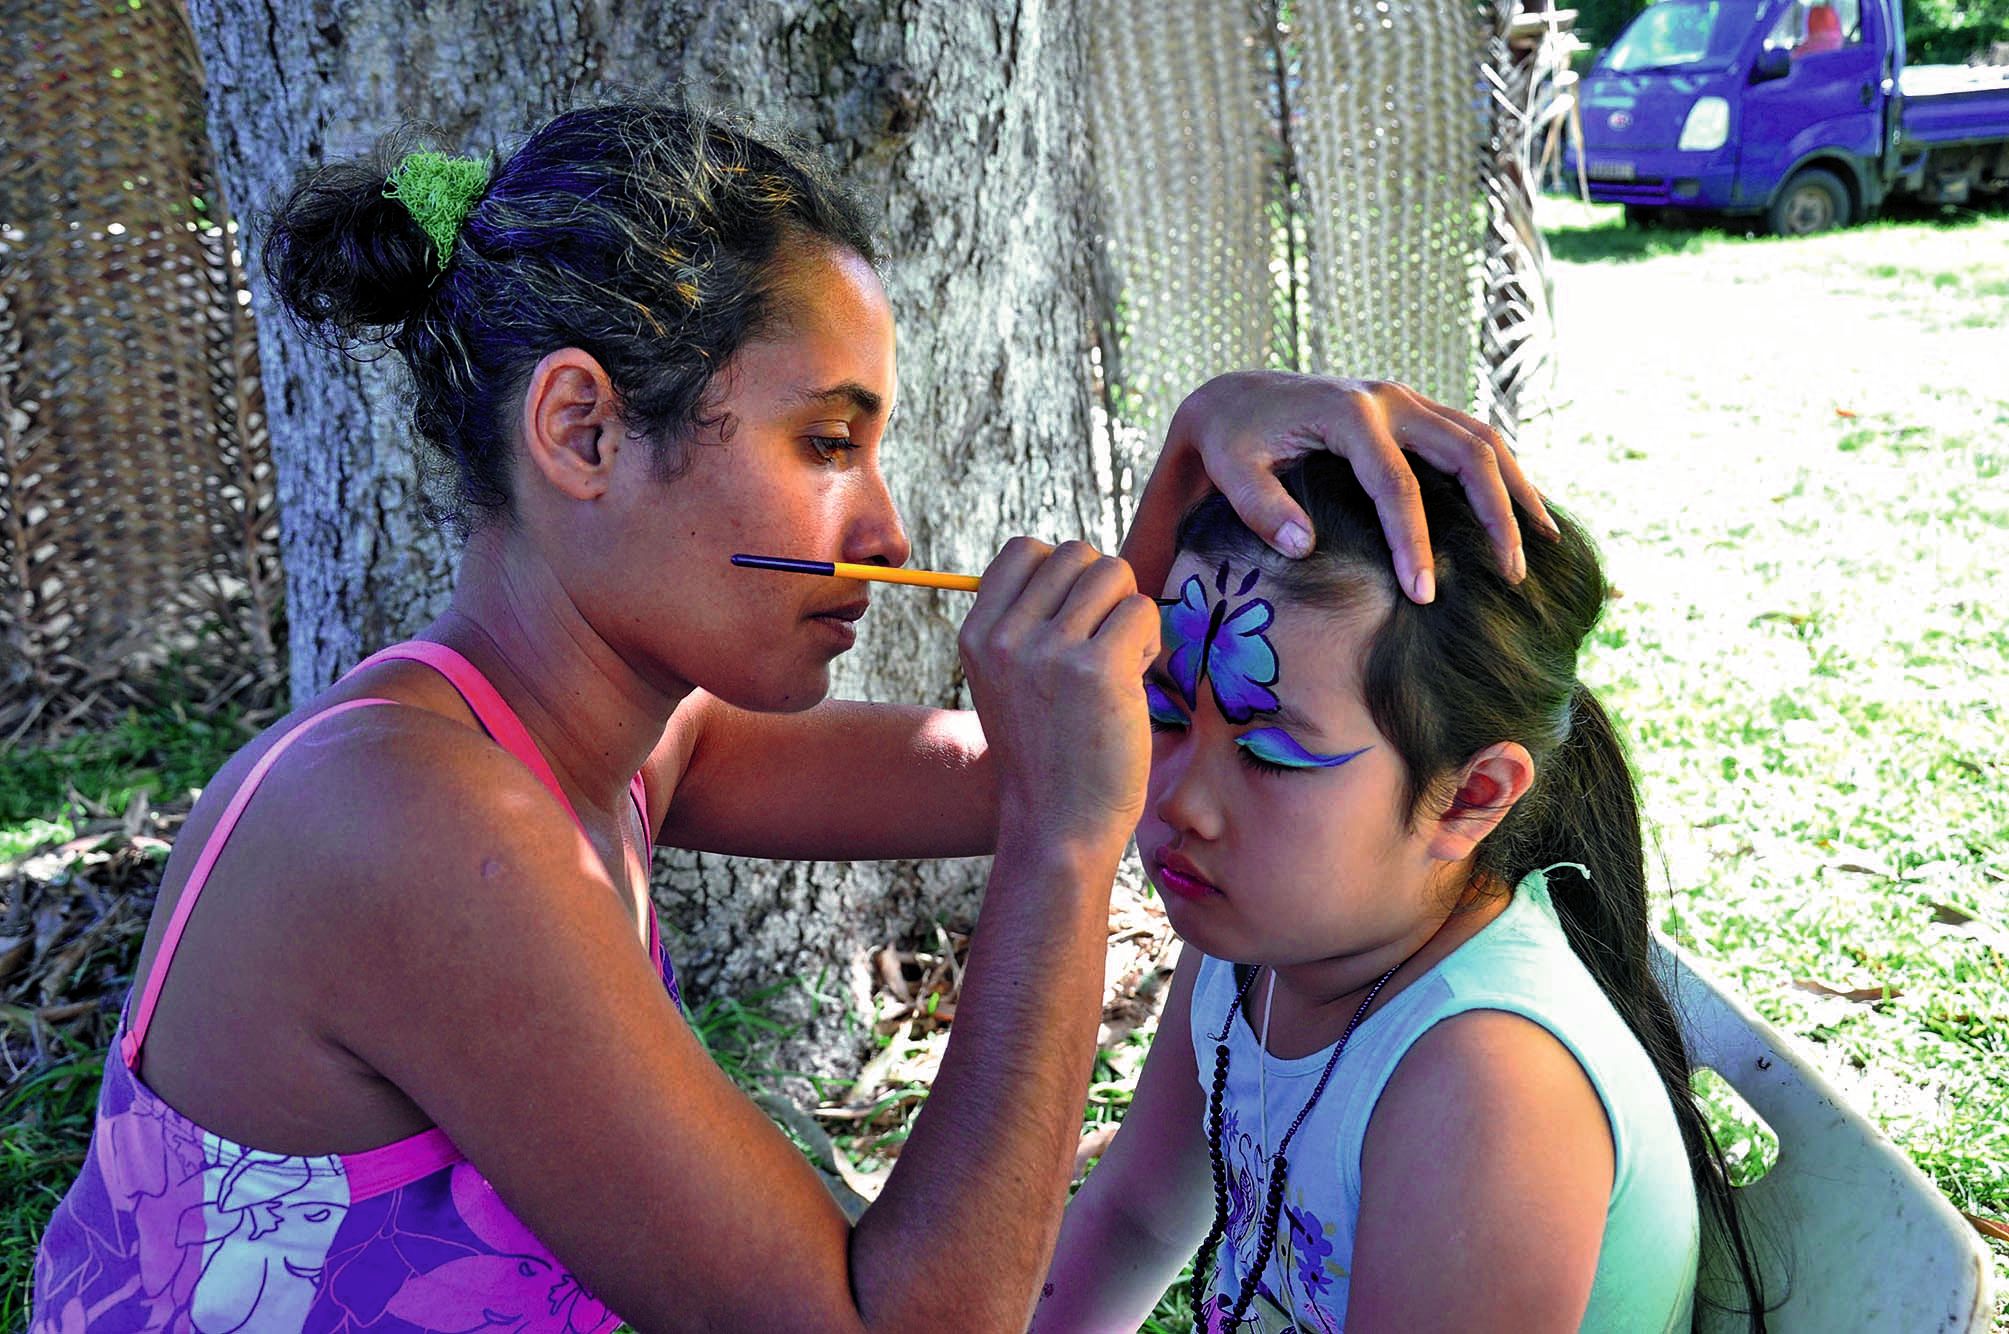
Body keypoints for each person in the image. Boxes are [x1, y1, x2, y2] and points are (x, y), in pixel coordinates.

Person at [30, 99, 1545, 1333]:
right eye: (829, 439)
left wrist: (1177, 495)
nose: (886, 529)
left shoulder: (598, 745)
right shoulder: (416, 826)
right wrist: (1065, 855)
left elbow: (1017, 755)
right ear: (583, 429)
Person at [1034, 455, 1767, 1332]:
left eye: (1271, 755)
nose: (1181, 801)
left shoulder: (1484, 1088)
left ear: (1470, 796)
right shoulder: (1260, 936)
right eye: (1162, 715)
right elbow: (1137, 1216)